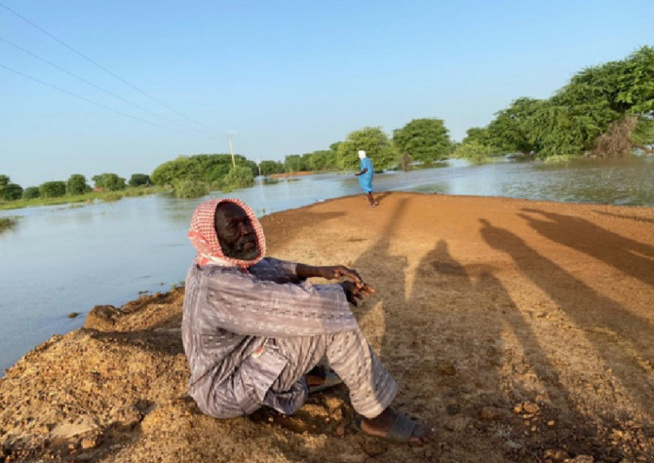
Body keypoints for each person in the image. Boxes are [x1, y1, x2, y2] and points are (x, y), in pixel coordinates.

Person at [181, 198, 435, 444]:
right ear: (212, 237)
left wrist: (319, 271)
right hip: (225, 390)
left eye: (246, 221)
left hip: (237, 363)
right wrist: (340, 291)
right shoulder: (219, 284)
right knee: (329, 321)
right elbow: (294, 303)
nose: (246, 230)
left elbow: (264, 267)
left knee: (297, 317)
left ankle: (309, 375)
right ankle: (378, 418)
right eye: (233, 227)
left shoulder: (209, 263)